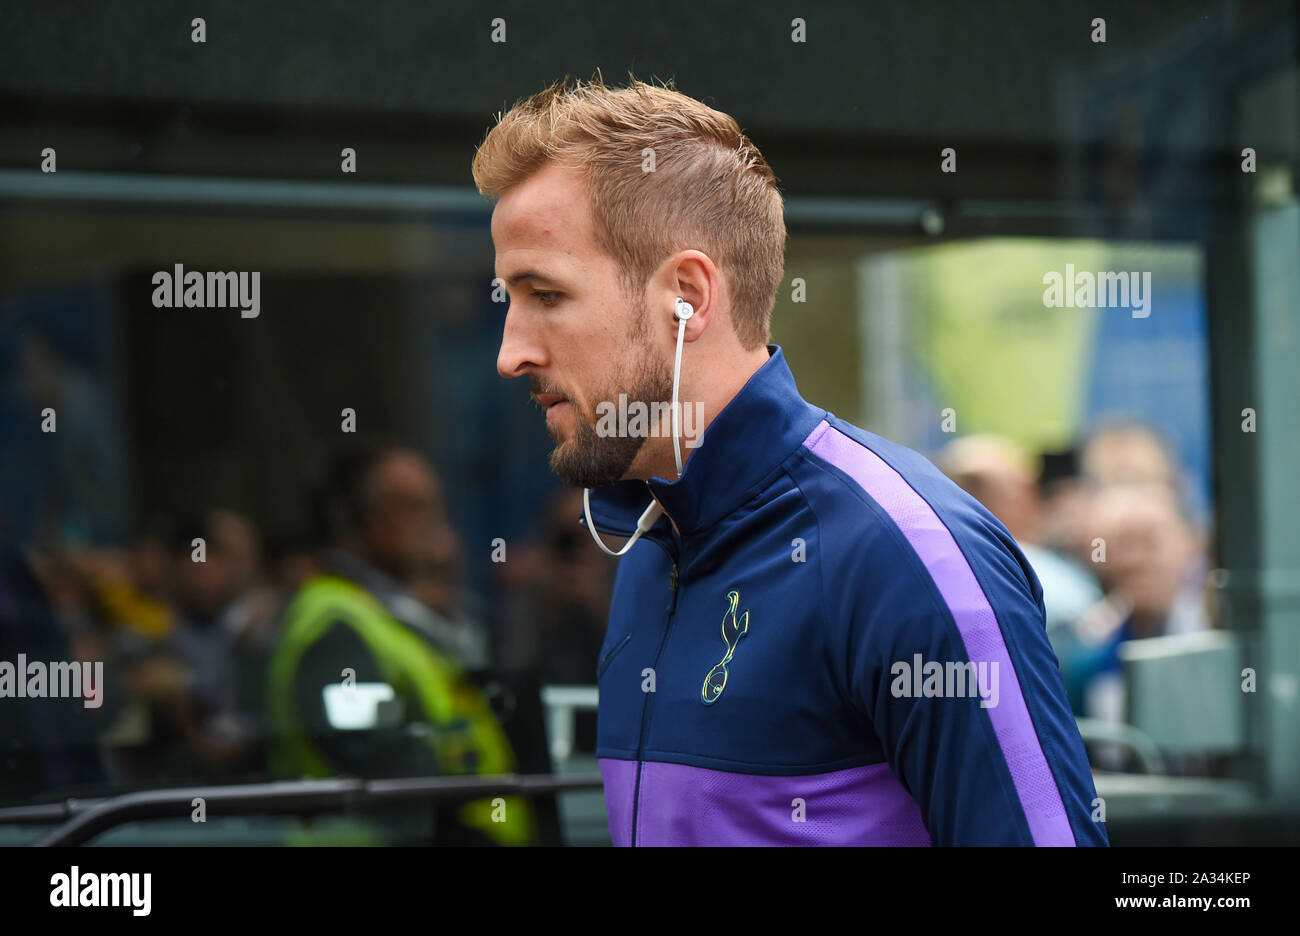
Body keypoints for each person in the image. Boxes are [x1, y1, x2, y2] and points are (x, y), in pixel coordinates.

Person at [471, 76, 1107, 845]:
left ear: (688, 296)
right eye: (510, 298)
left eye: (545, 294)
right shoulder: (650, 541)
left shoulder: (906, 551)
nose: (511, 353)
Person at [265, 446, 533, 845]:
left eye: (434, 505)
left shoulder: (389, 614)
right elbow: (384, 770)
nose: (432, 524)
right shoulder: (333, 627)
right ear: (350, 517)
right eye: (410, 507)